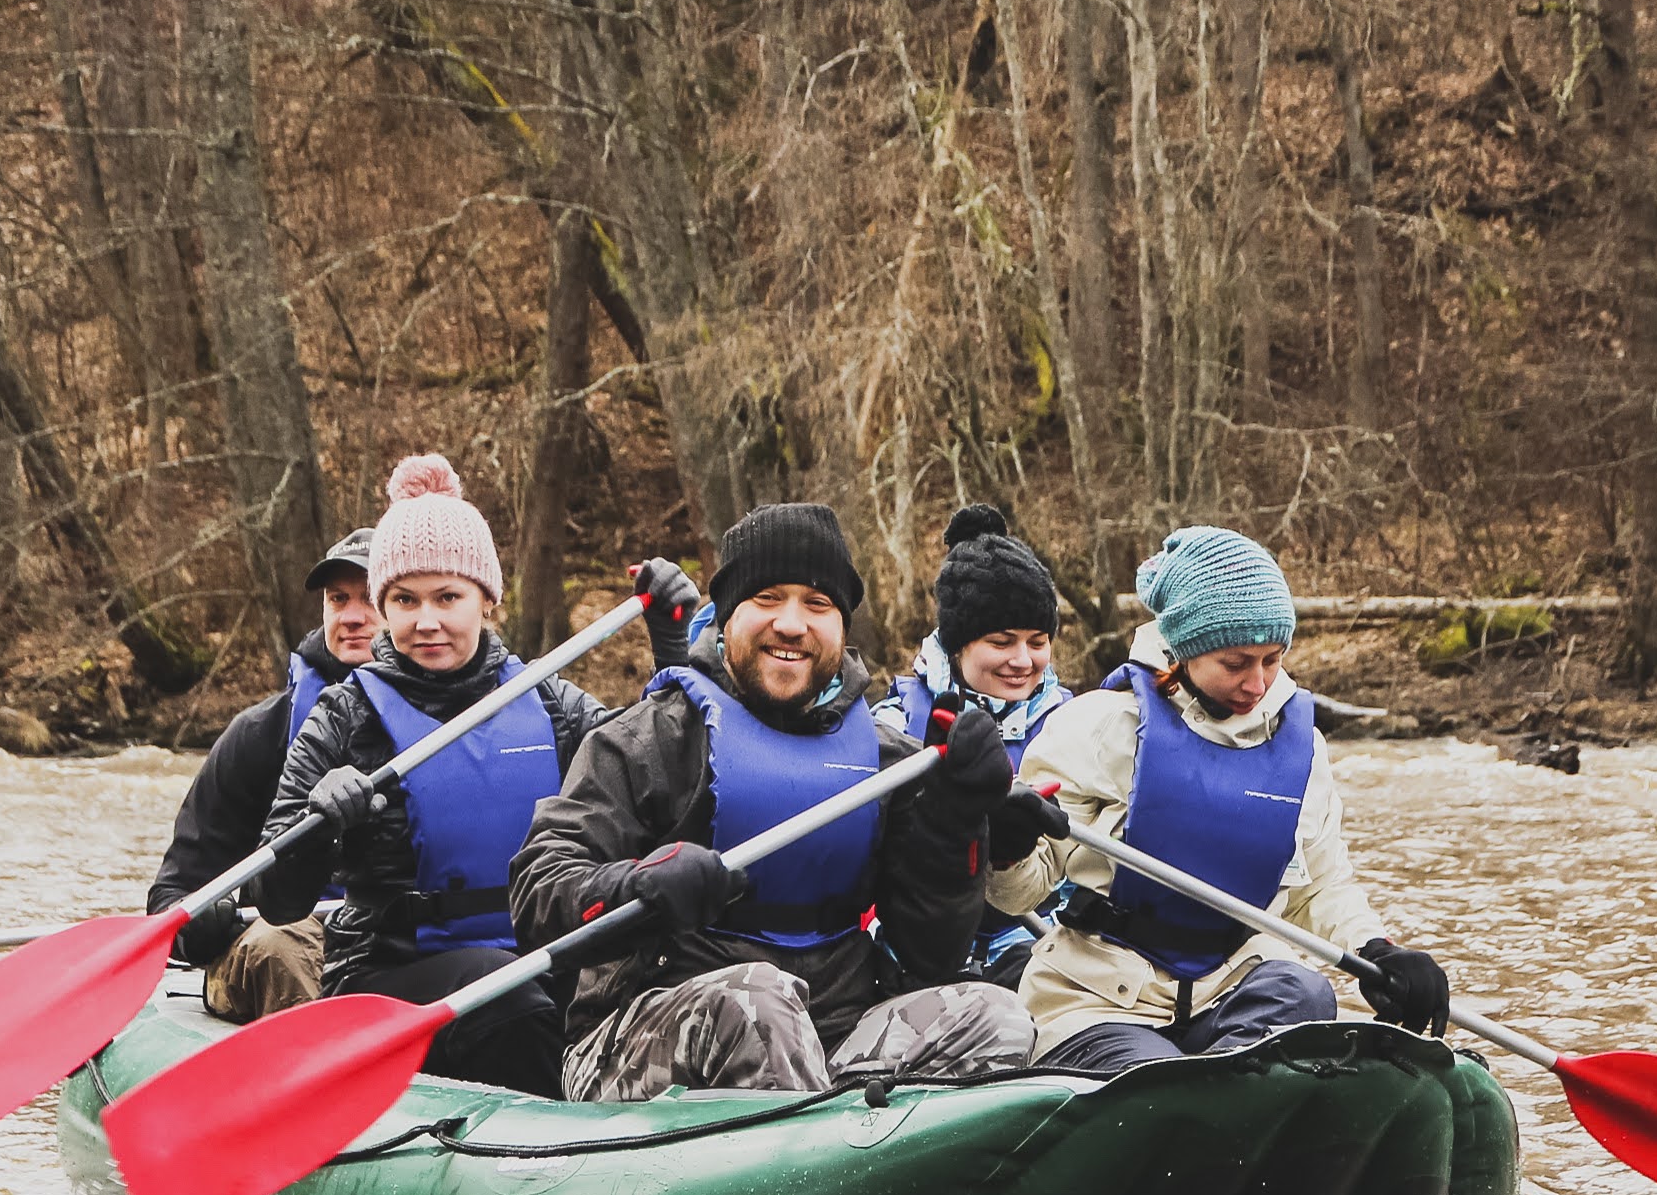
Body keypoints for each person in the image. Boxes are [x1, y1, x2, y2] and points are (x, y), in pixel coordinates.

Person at [512, 502, 1050, 1101]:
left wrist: (957, 824)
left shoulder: (887, 759)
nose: (792, 624)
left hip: (830, 1037)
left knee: (996, 1017)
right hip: (644, 1035)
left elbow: (931, 956)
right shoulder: (648, 740)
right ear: (727, 616)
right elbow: (539, 888)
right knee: (758, 1002)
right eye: (768, 598)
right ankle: (822, 1161)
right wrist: (630, 886)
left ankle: (869, 1154)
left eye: (817, 605)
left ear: (842, 627)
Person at [248, 456, 700, 1094]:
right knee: (510, 995)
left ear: (488, 600)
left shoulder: (551, 703)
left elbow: (662, 778)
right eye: (404, 600)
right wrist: (319, 825)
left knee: (604, 981)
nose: (425, 621)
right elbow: (275, 899)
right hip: (390, 978)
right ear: (383, 606)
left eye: (447, 597)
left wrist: (673, 650)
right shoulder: (346, 714)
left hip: (539, 966)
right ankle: (558, 1148)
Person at [983, 526, 1449, 1075]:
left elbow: (1320, 885)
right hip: (1101, 996)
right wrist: (1006, 851)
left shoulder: (1302, 749)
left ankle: (1237, 1104)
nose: (1258, 683)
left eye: (1272, 660)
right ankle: (1196, 1102)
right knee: (1153, 1074)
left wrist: (1378, 951)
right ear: (1184, 649)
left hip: (1234, 983)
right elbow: (1020, 895)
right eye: (1236, 663)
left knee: (1307, 994)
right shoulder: (1097, 727)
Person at [147, 524, 380, 1022]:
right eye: (338, 599)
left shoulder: (456, 721)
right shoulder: (258, 735)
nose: (353, 617)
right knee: (281, 943)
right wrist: (196, 924)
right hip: (280, 942)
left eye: (371, 598)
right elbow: (171, 894)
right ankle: (322, 1083)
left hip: (392, 940)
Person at [875, 503, 1076, 984]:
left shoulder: (1075, 722)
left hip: (1042, 942)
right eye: (1001, 641)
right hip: (920, 946)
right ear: (958, 643)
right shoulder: (897, 720)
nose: (1023, 660)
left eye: (1037, 640)